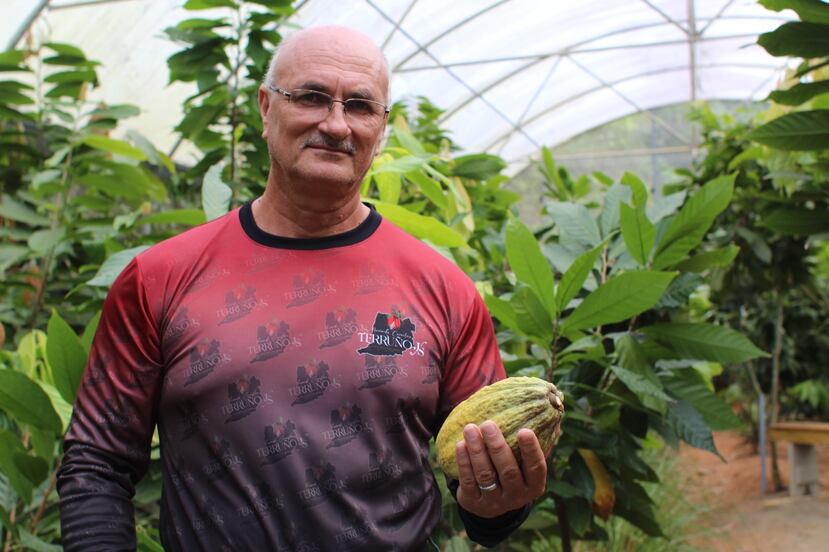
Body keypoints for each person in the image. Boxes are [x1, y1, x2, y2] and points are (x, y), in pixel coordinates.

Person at [57, 25, 550, 551]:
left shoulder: (443, 290)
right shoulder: (161, 277)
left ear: (381, 128)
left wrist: (498, 502)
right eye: (312, 97)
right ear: (266, 108)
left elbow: (480, 480)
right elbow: (97, 464)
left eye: (360, 106)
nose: (336, 124)